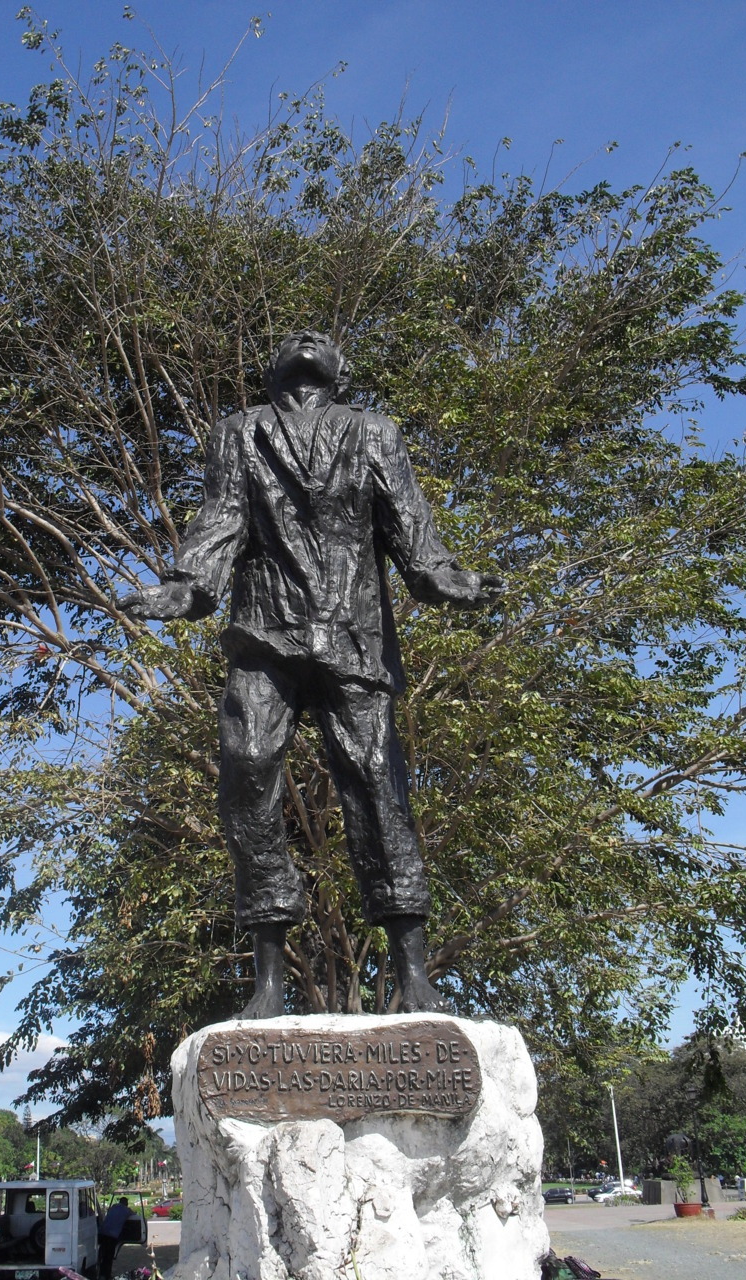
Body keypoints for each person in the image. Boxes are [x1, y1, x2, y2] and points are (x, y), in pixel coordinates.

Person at [121, 330, 503, 1016]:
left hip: (353, 635)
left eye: (319, 339)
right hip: (267, 635)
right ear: (269, 370)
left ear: (340, 371)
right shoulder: (238, 432)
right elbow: (221, 521)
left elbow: (411, 528)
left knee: (378, 784)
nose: (305, 341)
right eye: (291, 340)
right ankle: (268, 981)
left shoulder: (374, 431)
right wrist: (186, 587)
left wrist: (445, 579)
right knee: (248, 769)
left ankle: (412, 971)